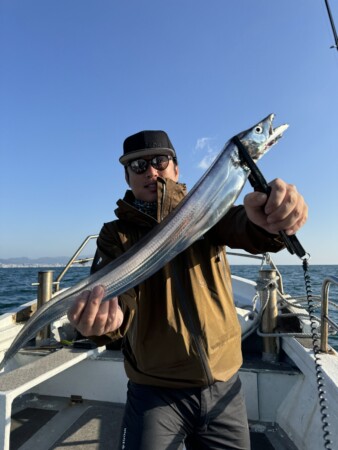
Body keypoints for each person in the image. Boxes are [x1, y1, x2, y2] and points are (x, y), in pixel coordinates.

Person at [67, 130, 308, 450]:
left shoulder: (206, 210)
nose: (150, 171)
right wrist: (105, 323)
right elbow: (118, 298)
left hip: (224, 387)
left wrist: (268, 219)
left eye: (159, 161)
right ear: (127, 177)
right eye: (138, 166)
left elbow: (244, 226)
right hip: (154, 393)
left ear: (176, 169)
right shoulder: (115, 234)